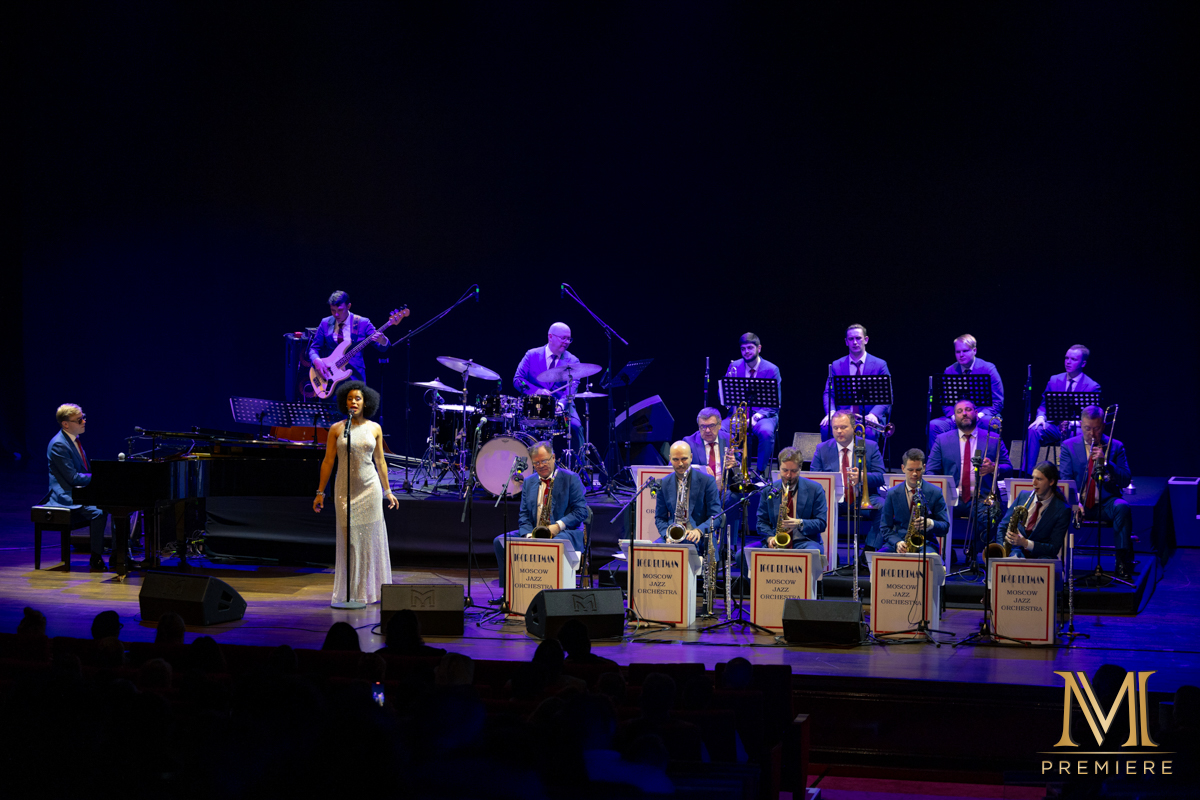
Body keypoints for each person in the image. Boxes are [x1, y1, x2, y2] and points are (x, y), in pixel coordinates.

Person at [313, 381, 398, 605]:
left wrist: (387, 490)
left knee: (368, 542)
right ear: (345, 402)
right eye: (350, 398)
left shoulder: (375, 428)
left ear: (365, 402)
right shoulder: (337, 429)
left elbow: (380, 461)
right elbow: (328, 461)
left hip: (370, 488)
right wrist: (320, 492)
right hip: (344, 490)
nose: (353, 402)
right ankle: (351, 592)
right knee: (350, 541)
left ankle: (367, 593)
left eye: (357, 398)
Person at [491, 440, 589, 594]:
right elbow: (524, 514)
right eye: (536, 463)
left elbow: (581, 511)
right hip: (535, 531)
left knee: (554, 544)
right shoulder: (529, 481)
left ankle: (551, 593)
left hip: (565, 532)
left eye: (544, 461)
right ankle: (508, 593)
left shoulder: (571, 478)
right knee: (500, 542)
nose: (541, 465)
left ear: (553, 457)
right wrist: (529, 536)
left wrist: (557, 526)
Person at [927, 399, 1013, 556]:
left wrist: (994, 468)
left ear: (976, 413)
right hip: (951, 497)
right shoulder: (942, 440)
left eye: (968, 410)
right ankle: (944, 552)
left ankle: (975, 551)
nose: (964, 414)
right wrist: (940, 492)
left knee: (991, 516)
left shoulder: (993, 439)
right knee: (929, 512)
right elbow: (931, 471)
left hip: (982, 498)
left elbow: (1008, 468)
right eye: (959, 411)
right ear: (954, 417)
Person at [1059, 405, 1134, 579]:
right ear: (1080, 425)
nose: (1092, 434)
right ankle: (1058, 564)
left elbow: (1125, 479)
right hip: (1079, 504)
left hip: (1106, 503)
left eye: (1096, 428)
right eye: (1087, 428)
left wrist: (1106, 462)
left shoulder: (1116, 446)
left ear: (1103, 426)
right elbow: (1065, 479)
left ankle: (1122, 563)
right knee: (1057, 508)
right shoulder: (1069, 446)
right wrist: (1075, 503)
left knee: (1122, 507)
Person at [809, 410, 885, 563]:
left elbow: (880, 476)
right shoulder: (822, 448)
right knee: (814, 508)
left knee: (884, 507)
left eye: (843, 427)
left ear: (853, 427)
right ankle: (829, 553)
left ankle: (868, 551)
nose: (839, 431)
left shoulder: (870, 447)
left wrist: (862, 477)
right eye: (835, 427)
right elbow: (813, 478)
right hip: (834, 500)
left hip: (862, 498)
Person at [737, 447, 827, 577]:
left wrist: (799, 523)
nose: (788, 475)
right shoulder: (769, 490)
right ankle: (764, 588)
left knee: (812, 554)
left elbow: (821, 523)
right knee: (741, 556)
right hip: (776, 540)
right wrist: (770, 538)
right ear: (779, 467)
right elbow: (761, 522)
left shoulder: (815, 489)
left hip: (804, 541)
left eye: (793, 471)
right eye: (785, 470)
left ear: (800, 469)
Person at [43, 403, 109, 572]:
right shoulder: (59, 445)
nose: (84, 421)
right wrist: (100, 479)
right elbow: (72, 478)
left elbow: (83, 472)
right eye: (79, 420)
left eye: (83, 417)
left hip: (79, 491)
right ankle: (96, 557)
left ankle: (118, 554)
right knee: (99, 512)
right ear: (66, 424)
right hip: (66, 496)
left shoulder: (73, 440)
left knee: (115, 506)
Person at [1023, 344, 1101, 475]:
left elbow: (1092, 417)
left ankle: (1072, 476)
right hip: (1055, 427)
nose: (1068, 362)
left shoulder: (1092, 386)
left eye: (1073, 359)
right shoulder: (1054, 380)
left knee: (1078, 435)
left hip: (1076, 429)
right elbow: (1044, 404)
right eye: (1066, 358)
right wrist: (1040, 417)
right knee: (1034, 430)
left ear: (1083, 363)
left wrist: (1071, 423)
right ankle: (1027, 474)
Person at [514, 322, 586, 461]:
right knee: (528, 432)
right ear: (550, 337)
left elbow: (572, 387)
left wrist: (561, 404)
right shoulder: (531, 355)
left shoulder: (573, 360)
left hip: (563, 405)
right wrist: (537, 391)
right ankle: (528, 466)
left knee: (576, 427)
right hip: (535, 405)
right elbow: (518, 380)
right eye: (563, 338)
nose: (566, 342)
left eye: (569, 339)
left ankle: (579, 468)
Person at [927, 334, 1004, 452]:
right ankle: (940, 462)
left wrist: (979, 415)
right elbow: (945, 402)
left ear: (974, 351)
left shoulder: (988, 369)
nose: (961, 355)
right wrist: (953, 415)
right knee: (934, 425)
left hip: (981, 415)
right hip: (958, 416)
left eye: (965, 351)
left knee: (992, 423)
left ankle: (987, 462)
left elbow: (998, 401)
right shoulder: (950, 370)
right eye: (958, 352)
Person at [307, 290, 391, 392]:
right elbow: (314, 348)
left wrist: (383, 341)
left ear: (348, 306)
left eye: (340, 310)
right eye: (333, 310)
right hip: (329, 381)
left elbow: (382, 348)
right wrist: (316, 360)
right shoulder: (325, 323)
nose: (336, 314)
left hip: (355, 378)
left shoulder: (363, 323)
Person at [820, 324, 891, 441]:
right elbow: (829, 393)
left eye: (858, 338)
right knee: (825, 428)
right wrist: (831, 412)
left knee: (869, 433)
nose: (855, 342)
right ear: (846, 342)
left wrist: (873, 414)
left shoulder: (880, 365)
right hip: (843, 416)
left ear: (866, 340)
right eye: (851, 339)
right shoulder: (837, 365)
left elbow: (887, 395)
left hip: (869, 417)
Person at [722, 332, 781, 473]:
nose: (746, 352)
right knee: (721, 430)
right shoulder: (734, 366)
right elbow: (724, 390)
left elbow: (775, 404)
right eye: (743, 349)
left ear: (759, 348)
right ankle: (736, 465)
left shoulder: (772, 369)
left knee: (766, 432)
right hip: (739, 414)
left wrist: (755, 418)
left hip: (763, 415)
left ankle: (760, 472)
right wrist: (724, 396)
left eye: (750, 348)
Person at [654, 441, 721, 555]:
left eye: (684, 459)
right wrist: (667, 535)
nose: (680, 464)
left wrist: (699, 531)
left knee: (688, 547)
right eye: (675, 459)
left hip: (700, 536)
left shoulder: (707, 481)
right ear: (670, 459)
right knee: (651, 551)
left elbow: (716, 516)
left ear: (691, 457)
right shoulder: (663, 483)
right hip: (673, 537)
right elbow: (660, 518)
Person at [684, 406, 740, 540]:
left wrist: (735, 465)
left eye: (711, 426)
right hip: (699, 491)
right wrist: (699, 469)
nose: (707, 430)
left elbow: (741, 468)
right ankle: (704, 538)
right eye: (703, 427)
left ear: (720, 425)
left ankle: (725, 543)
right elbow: (674, 467)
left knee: (734, 498)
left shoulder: (729, 440)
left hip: (723, 490)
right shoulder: (688, 442)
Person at [878, 449, 949, 554]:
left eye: (918, 470)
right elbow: (885, 527)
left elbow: (945, 526)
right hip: (900, 542)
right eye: (910, 470)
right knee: (880, 557)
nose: (915, 474)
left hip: (926, 544)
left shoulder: (936, 492)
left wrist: (930, 523)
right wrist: (897, 542)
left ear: (924, 467)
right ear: (903, 468)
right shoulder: (892, 493)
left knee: (930, 558)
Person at [995, 461, 1071, 560]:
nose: (1033, 483)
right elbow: (1003, 526)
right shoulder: (1023, 496)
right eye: (1033, 478)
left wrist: (1025, 543)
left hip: (1041, 557)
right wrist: (1003, 551)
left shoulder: (1062, 510)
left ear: (1051, 482)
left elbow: (1053, 548)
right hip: (1016, 553)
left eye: (1039, 479)